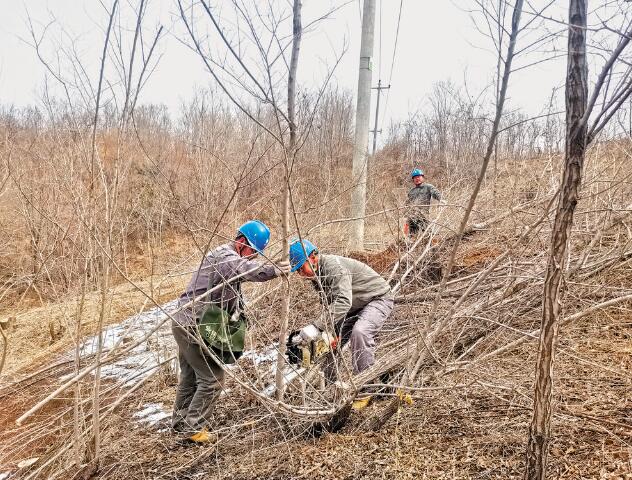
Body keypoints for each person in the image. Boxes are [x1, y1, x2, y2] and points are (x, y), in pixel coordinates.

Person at [171, 220, 290, 442]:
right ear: (241, 241)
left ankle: (180, 424)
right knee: (212, 380)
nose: (253, 256)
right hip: (193, 324)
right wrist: (273, 270)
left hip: (183, 320)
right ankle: (194, 428)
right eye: (253, 251)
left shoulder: (224, 256)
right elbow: (243, 270)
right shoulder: (224, 257)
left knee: (190, 377)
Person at [288, 239, 393, 377]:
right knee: (330, 341)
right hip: (355, 306)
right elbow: (333, 303)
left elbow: (343, 301)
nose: (301, 273)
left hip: (377, 299)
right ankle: (330, 382)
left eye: (302, 267)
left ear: (312, 258)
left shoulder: (334, 268)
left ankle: (366, 384)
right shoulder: (317, 275)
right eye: (298, 271)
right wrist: (334, 332)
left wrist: (317, 326)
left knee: (360, 332)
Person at [405, 168, 442, 236]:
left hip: (423, 216)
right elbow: (407, 205)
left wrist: (441, 200)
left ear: (422, 177)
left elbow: (437, 194)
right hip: (412, 217)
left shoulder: (428, 187)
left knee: (428, 234)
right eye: (415, 177)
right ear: (413, 180)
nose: (417, 179)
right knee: (412, 237)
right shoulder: (411, 191)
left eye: (418, 177)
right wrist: (406, 217)